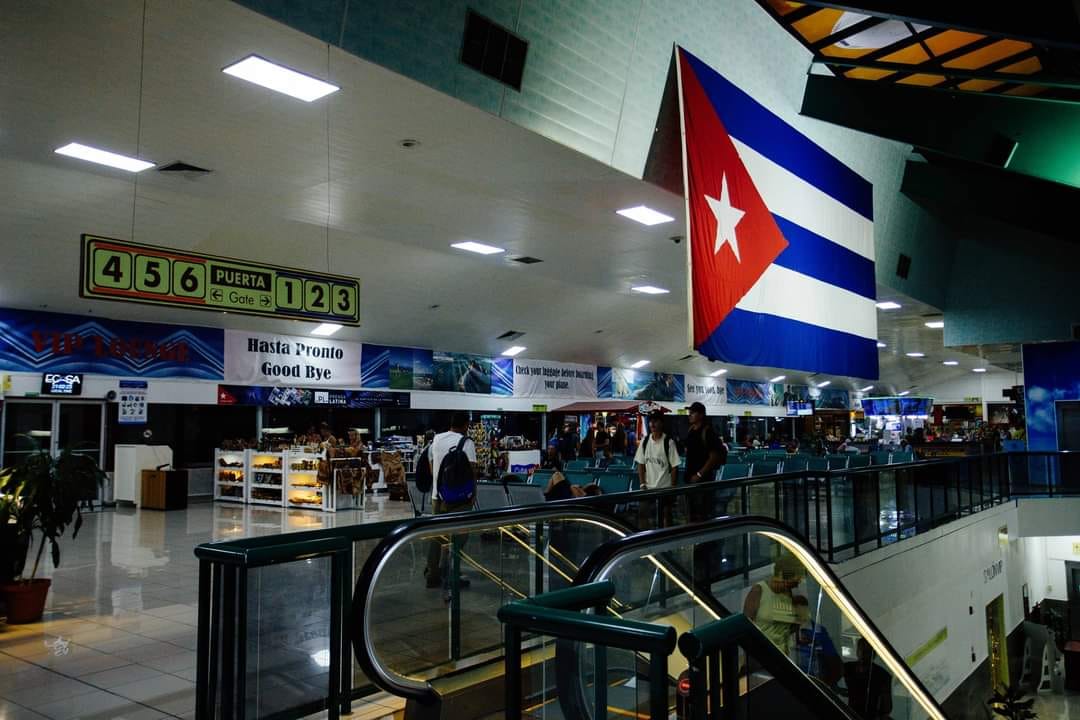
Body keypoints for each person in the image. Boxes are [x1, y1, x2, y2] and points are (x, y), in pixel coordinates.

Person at [424, 412, 477, 591]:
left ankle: (432, 575)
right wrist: (472, 496)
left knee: (437, 537)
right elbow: (472, 471)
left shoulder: (436, 440)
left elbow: (431, 466)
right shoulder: (467, 443)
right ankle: (451, 574)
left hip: (437, 497)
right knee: (459, 537)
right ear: (466, 424)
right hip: (459, 498)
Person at [743, 552, 805, 657]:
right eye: (796, 576)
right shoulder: (759, 590)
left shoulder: (789, 594)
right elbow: (744, 627)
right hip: (759, 657)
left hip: (782, 657)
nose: (799, 581)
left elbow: (786, 629)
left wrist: (798, 620)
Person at [793, 596, 842, 687]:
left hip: (816, 681)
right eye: (796, 611)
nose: (799, 614)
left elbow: (833, 659)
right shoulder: (788, 630)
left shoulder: (819, 632)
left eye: (801, 609)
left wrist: (827, 684)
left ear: (807, 610)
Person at [843, 638, 893, 719]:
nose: (862, 654)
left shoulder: (883, 676)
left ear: (873, 654)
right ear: (857, 651)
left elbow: (886, 708)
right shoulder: (847, 667)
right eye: (861, 650)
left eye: (866, 651)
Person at [633, 412, 680, 490]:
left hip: (665, 489)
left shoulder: (669, 442)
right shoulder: (644, 441)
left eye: (655, 421)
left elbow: (674, 467)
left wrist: (672, 487)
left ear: (662, 423)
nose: (652, 423)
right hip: (648, 489)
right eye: (651, 421)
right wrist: (642, 484)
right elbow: (640, 463)